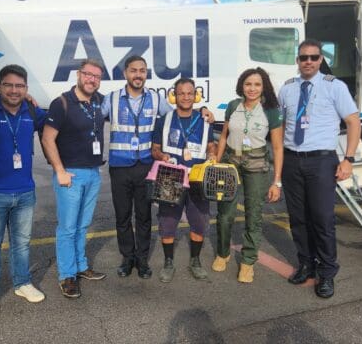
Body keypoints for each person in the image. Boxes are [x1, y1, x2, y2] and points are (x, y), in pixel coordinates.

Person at [102, 56, 215, 279]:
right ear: (125, 72)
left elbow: (183, 112)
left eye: (142, 70)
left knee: (144, 216)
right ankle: (128, 259)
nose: (138, 74)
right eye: (133, 70)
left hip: (145, 166)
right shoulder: (112, 99)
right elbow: (90, 114)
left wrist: (204, 110)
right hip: (120, 166)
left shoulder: (155, 99)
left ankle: (143, 260)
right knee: (124, 217)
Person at [278, 39, 361, 299]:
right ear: (297, 60)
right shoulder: (288, 89)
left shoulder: (334, 87)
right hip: (293, 159)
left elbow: (353, 121)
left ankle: (326, 273)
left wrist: (348, 159)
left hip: (322, 161)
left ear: (321, 59)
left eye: (314, 57)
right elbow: (280, 125)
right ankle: (306, 264)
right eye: (304, 57)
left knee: (323, 220)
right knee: (298, 219)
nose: (309, 62)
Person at [0, 65, 46, 316]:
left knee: (22, 243)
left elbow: (58, 124)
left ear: (26, 89)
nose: (14, 90)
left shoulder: (32, 110)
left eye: (19, 86)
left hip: (25, 191)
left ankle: (22, 283)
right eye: (9, 85)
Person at [42, 59, 107, 298]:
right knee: (68, 228)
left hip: (93, 173)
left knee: (82, 225)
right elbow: (48, 139)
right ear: (79, 75)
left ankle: (80, 267)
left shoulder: (99, 101)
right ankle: (66, 276)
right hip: (71, 174)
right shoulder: (61, 103)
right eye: (88, 75)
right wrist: (59, 170)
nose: (92, 80)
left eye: (97, 77)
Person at [213, 67, 283, 283]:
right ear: (241, 86)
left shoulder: (271, 110)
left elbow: (278, 148)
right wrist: (216, 160)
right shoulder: (234, 106)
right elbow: (224, 136)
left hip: (257, 164)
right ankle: (223, 253)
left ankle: (247, 262)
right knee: (225, 214)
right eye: (248, 84)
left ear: (264, 87)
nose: (252, 89)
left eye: (257, 84)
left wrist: (276, 182)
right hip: (231, 163)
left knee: (254, 214)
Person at [151, 78, 217, 283]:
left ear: (196, 95)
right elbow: (154, 148)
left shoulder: (205, 120)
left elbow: (211, 146)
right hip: (171, 177)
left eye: (190, 93)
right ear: (174, 96)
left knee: (199, 222)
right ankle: (168, 262)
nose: (186, 97)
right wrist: (161, 156)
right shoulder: (164, 119)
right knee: (168, 222)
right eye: (181, 93)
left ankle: (195, 261)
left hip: (197, 178)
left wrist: (213, 155)